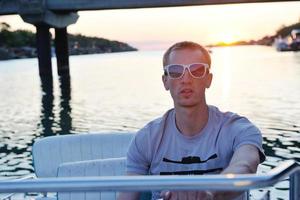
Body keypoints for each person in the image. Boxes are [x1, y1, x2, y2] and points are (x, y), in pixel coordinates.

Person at [118, 41, 265, 200]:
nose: (186, 79)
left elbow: (245, 165)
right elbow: (127, 194)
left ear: (208, 79)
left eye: (196, 70)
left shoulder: (238, 129)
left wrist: (208, 192)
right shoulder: (146, 138)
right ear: (165, 81)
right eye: (175, 72)